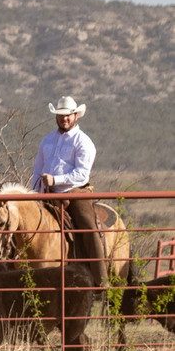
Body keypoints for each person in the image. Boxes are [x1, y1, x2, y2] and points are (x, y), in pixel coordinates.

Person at [30, 95, 103, 286]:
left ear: (76, 115)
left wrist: (56, 179)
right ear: (56, 116)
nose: (65, 118)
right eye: (61, 115)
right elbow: (38, 169)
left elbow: (82, 175)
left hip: (75, 192)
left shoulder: (83, 142)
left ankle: (100, 279)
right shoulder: (47, 140)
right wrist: (34, 193)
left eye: (68, 115)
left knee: (88, 224)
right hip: (48, 193)